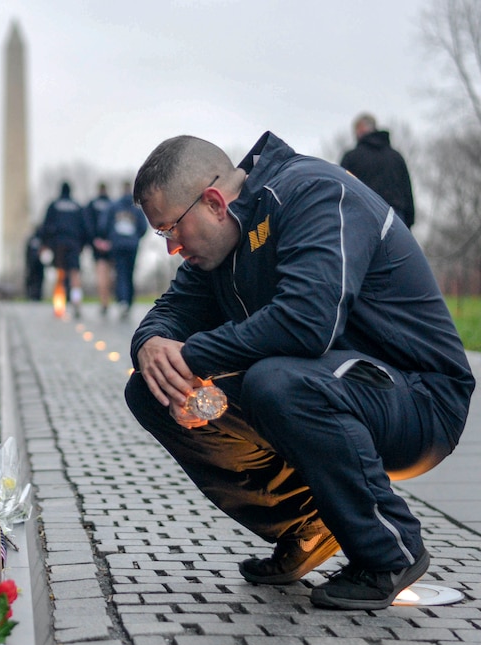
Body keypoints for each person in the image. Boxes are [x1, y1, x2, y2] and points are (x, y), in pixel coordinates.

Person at [125, 132, 474, 611]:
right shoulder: (217, 248)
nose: (171, 248)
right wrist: (151, 348)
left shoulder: (314, 193)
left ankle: (389, 551)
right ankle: (307, 528)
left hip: (419, 399)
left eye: (170, 230)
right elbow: (169, 314)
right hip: (328, 388)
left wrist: (192, 357)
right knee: (152, 390)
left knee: (276, 382)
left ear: (212, 202)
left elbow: (307, 323)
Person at [340, 113, 415, 228]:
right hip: (396, 218)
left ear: (359, 129)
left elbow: (342, 190)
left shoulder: (351, 158)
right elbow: (407, 191)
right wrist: (409, 222)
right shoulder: (396, 157)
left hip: (362, 217)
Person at [41, 181, 89, 318]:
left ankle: (59, 306)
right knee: (75, 275)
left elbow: (45, 226)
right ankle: (76, 302)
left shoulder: (54, 205)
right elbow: (85, 227)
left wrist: (46, 244)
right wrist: (83, 245)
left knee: (60, 275)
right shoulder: (77, 206)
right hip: (74, 243)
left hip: (58, 244)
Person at [104, 181, 148, 321]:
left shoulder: (114, 206)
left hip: (118, 245)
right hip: (132, 245)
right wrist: (135, 238)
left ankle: (122, 301)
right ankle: (128, 302)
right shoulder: (136, 208)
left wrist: (111, 237)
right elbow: (143, 227)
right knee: (129, 274)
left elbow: (104, 224)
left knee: (121, 273)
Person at [84, 182, 113, 316]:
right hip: (111, 244)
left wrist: (94, 241)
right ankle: (109, 300)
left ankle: (104, 301)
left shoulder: (92, 205)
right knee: (110, 274)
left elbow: (87, 224)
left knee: (101, 274)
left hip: (97, 245)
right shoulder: (112, 204)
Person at [24, 225, 45, 302]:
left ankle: (36, 295)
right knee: (33, 280)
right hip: (34, 264)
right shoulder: (36, 240)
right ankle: (32, 295)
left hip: (37, 264)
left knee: (37, 280)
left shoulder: (36, 239)